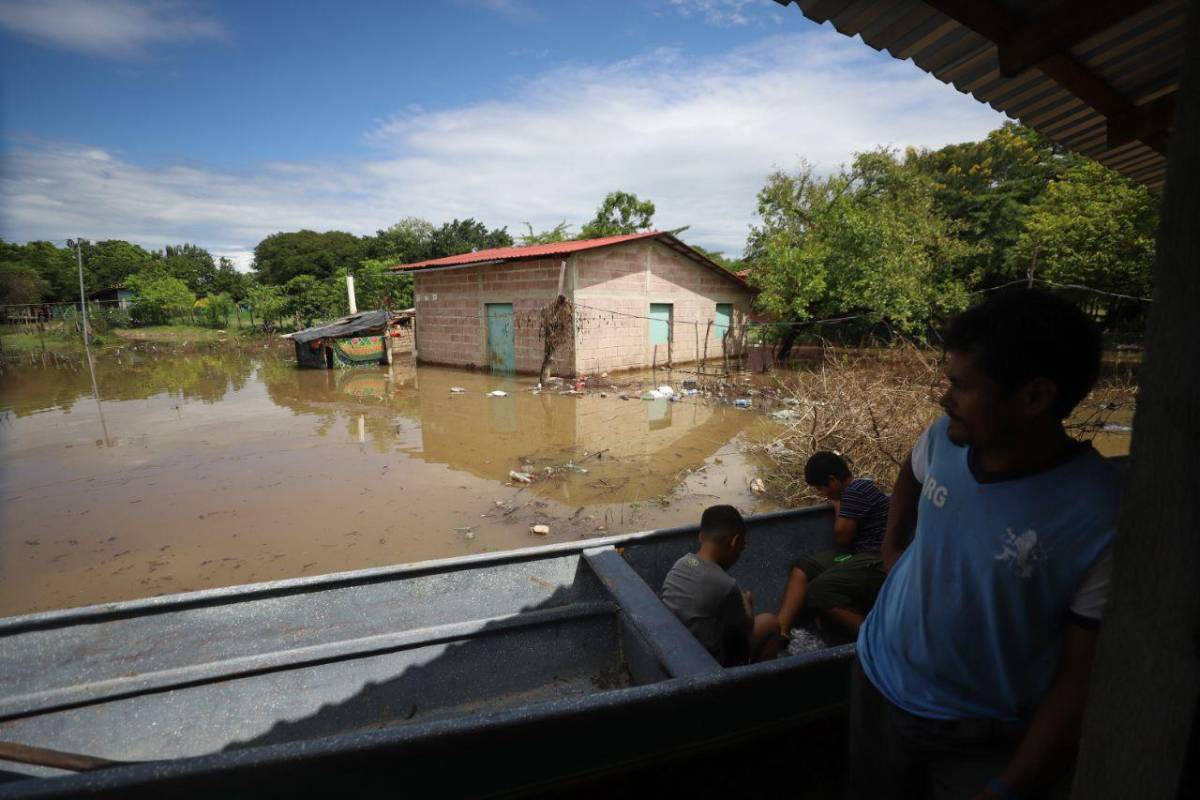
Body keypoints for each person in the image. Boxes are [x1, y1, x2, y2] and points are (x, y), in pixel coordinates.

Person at [851, 289, 1118, 800]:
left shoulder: (1101, 516)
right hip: (877, 675)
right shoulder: (944, 439)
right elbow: (909, 475)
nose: (943, 398)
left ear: (1034, 397)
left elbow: (1078, 677)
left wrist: (1008, 786)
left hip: (978, 733)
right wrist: (892, 551)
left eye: (960, 385)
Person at [776, 452, 890, 638]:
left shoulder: (854, 492)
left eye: (821, 488)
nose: (822, 494)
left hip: (877, 560)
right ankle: (780, 630)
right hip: (858, 555)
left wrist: (837, 503)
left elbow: (842, 537)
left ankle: (874, 639)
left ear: (832, 480)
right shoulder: (859, 488)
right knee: (803, 566)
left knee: (819, 589)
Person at [660, 505, 781, 666]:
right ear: (735, 542)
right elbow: (747, 624)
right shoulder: (725, 584)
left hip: (673, 648)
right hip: (705, 662)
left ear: (701, 537)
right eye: (742, 546)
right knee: (770, 623)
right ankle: (758, 678)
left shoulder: (683, 562)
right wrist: (747, 601)